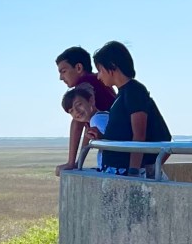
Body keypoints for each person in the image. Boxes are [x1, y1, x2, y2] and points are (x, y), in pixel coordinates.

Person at [92, 40, 172, 174]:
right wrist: (101, 137)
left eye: (100, 70)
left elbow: (139, 135)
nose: (99, 76)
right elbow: (125, 134)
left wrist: (134, 171)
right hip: (116, 169)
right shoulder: (122, 94)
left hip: (125, 171)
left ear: (112, 66)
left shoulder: (135, 91)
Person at [55, 46, 115, 174]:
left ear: (78, 68)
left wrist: (71, 163)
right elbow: (89, 128)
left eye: (63, 71)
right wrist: (80, 161)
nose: (61, 77)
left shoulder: (84, 86)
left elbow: (78, 123)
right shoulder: (99, 81)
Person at [61, 84, 110, 169]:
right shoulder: (97, 118)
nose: (76, 111)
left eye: (79, 105)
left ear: (91, 101)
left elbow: (112, 142)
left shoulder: (97, 119)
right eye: (71, 111)